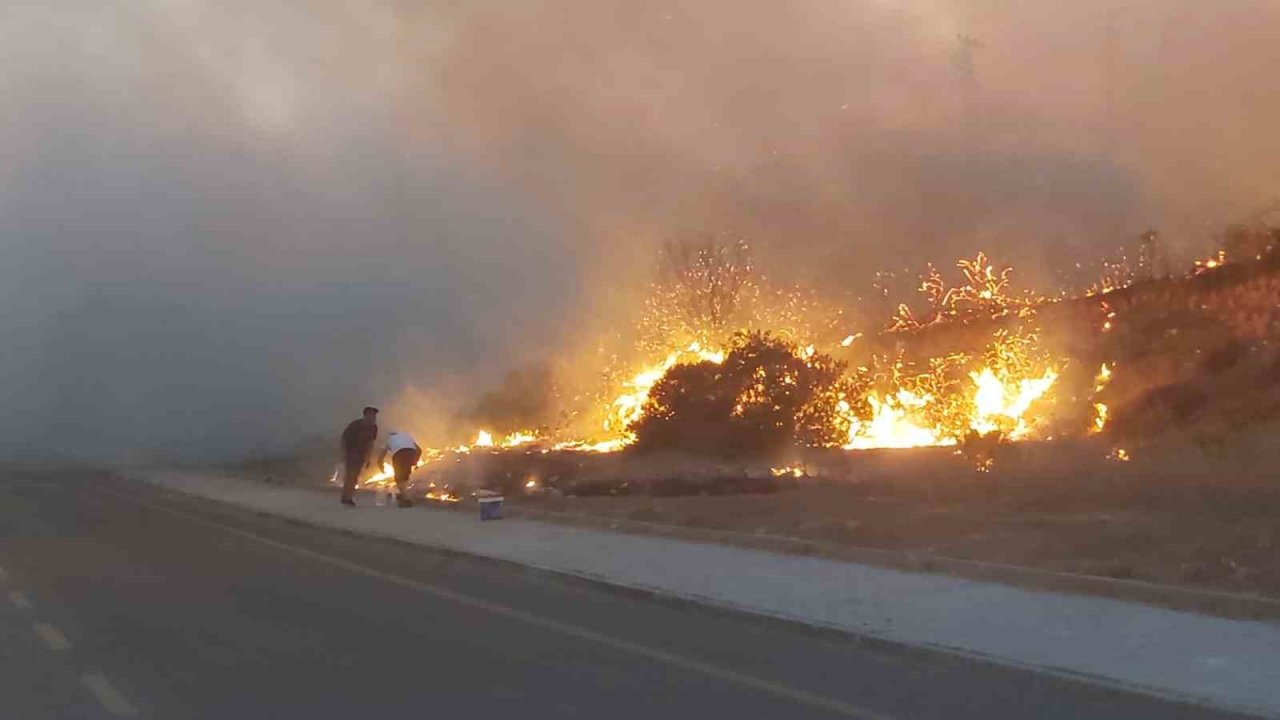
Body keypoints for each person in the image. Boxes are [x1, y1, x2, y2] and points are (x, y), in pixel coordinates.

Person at [339, 406, 379, 506]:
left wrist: (368, 458)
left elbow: (370, 443)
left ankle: (346, 497)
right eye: (371, 415)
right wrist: (344, 453)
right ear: (365, 415)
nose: (373, 417)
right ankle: (347, 497)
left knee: (354, 476)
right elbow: (344, 439)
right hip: (351, 453)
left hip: (361, 455)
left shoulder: (374, 428)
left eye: (374, 416)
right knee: (350, 475)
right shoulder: (355, 425)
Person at [378, 430, 422, 508]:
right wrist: (415, 461)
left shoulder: (388, 439)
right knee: (405, 477)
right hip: (411, 452)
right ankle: (404, 496)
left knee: (399, 478)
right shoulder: (406, 436)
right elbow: (419, 450)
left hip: (399, 454)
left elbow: (381, 455)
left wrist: (381, 466)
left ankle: (404, 499)